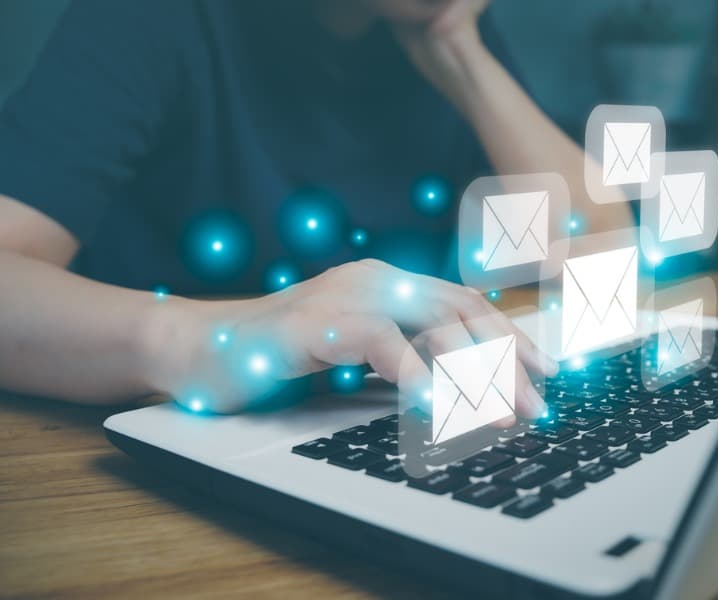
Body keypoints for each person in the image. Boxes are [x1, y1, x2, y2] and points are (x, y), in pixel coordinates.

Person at [0, 0, 633, 414]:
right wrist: (209, 342)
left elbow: (601, 263)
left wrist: (458, 47)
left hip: (376, 420)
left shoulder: (435, 30)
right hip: (165, 443)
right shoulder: (152, 19)